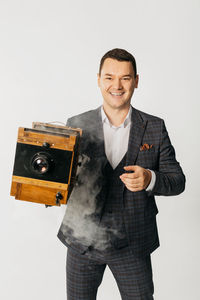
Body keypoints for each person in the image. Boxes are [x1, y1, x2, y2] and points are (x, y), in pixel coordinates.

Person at [57, 48, 186, 300]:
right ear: (98, 79)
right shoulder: (76, 124)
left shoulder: (154, 128)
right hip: (82, 242)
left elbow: (178, 180)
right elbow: (62, 177)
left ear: (136, 81)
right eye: (109, 77)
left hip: (132, 244)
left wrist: (150, 178)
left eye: (125, 78)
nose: (116, 85)